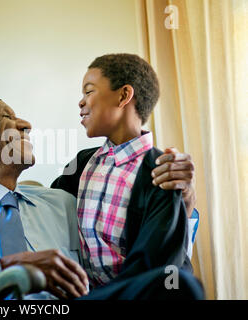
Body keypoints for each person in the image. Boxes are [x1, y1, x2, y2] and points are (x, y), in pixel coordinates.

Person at [0, 71, 201, 300]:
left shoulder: (63, 202)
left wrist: (181, 203)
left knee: (174, 285)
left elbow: (136, 256)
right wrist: (7, 269)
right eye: (7, 117)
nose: (26, 124)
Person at [51, 53, 202, 298]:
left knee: (184, 286)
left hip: (135, 291)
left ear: (123, 96)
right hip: (90, 293)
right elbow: (47, 208)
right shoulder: (81, 164)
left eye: (89, 91)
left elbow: (155, 264)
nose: (81, 102)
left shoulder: (161, 171)